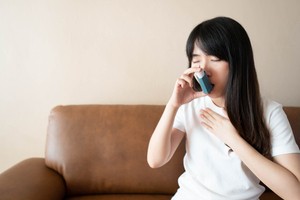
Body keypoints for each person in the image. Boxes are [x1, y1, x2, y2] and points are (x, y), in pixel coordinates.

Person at [147, 16, 300, 200]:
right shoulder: (189, 105)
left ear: (238, 63)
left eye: (215, 58)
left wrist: (233, 139)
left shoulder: (269, 112)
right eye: (196, 60)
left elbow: (295, 193)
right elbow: (155, 160)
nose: (204, 69)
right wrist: (173, 105)